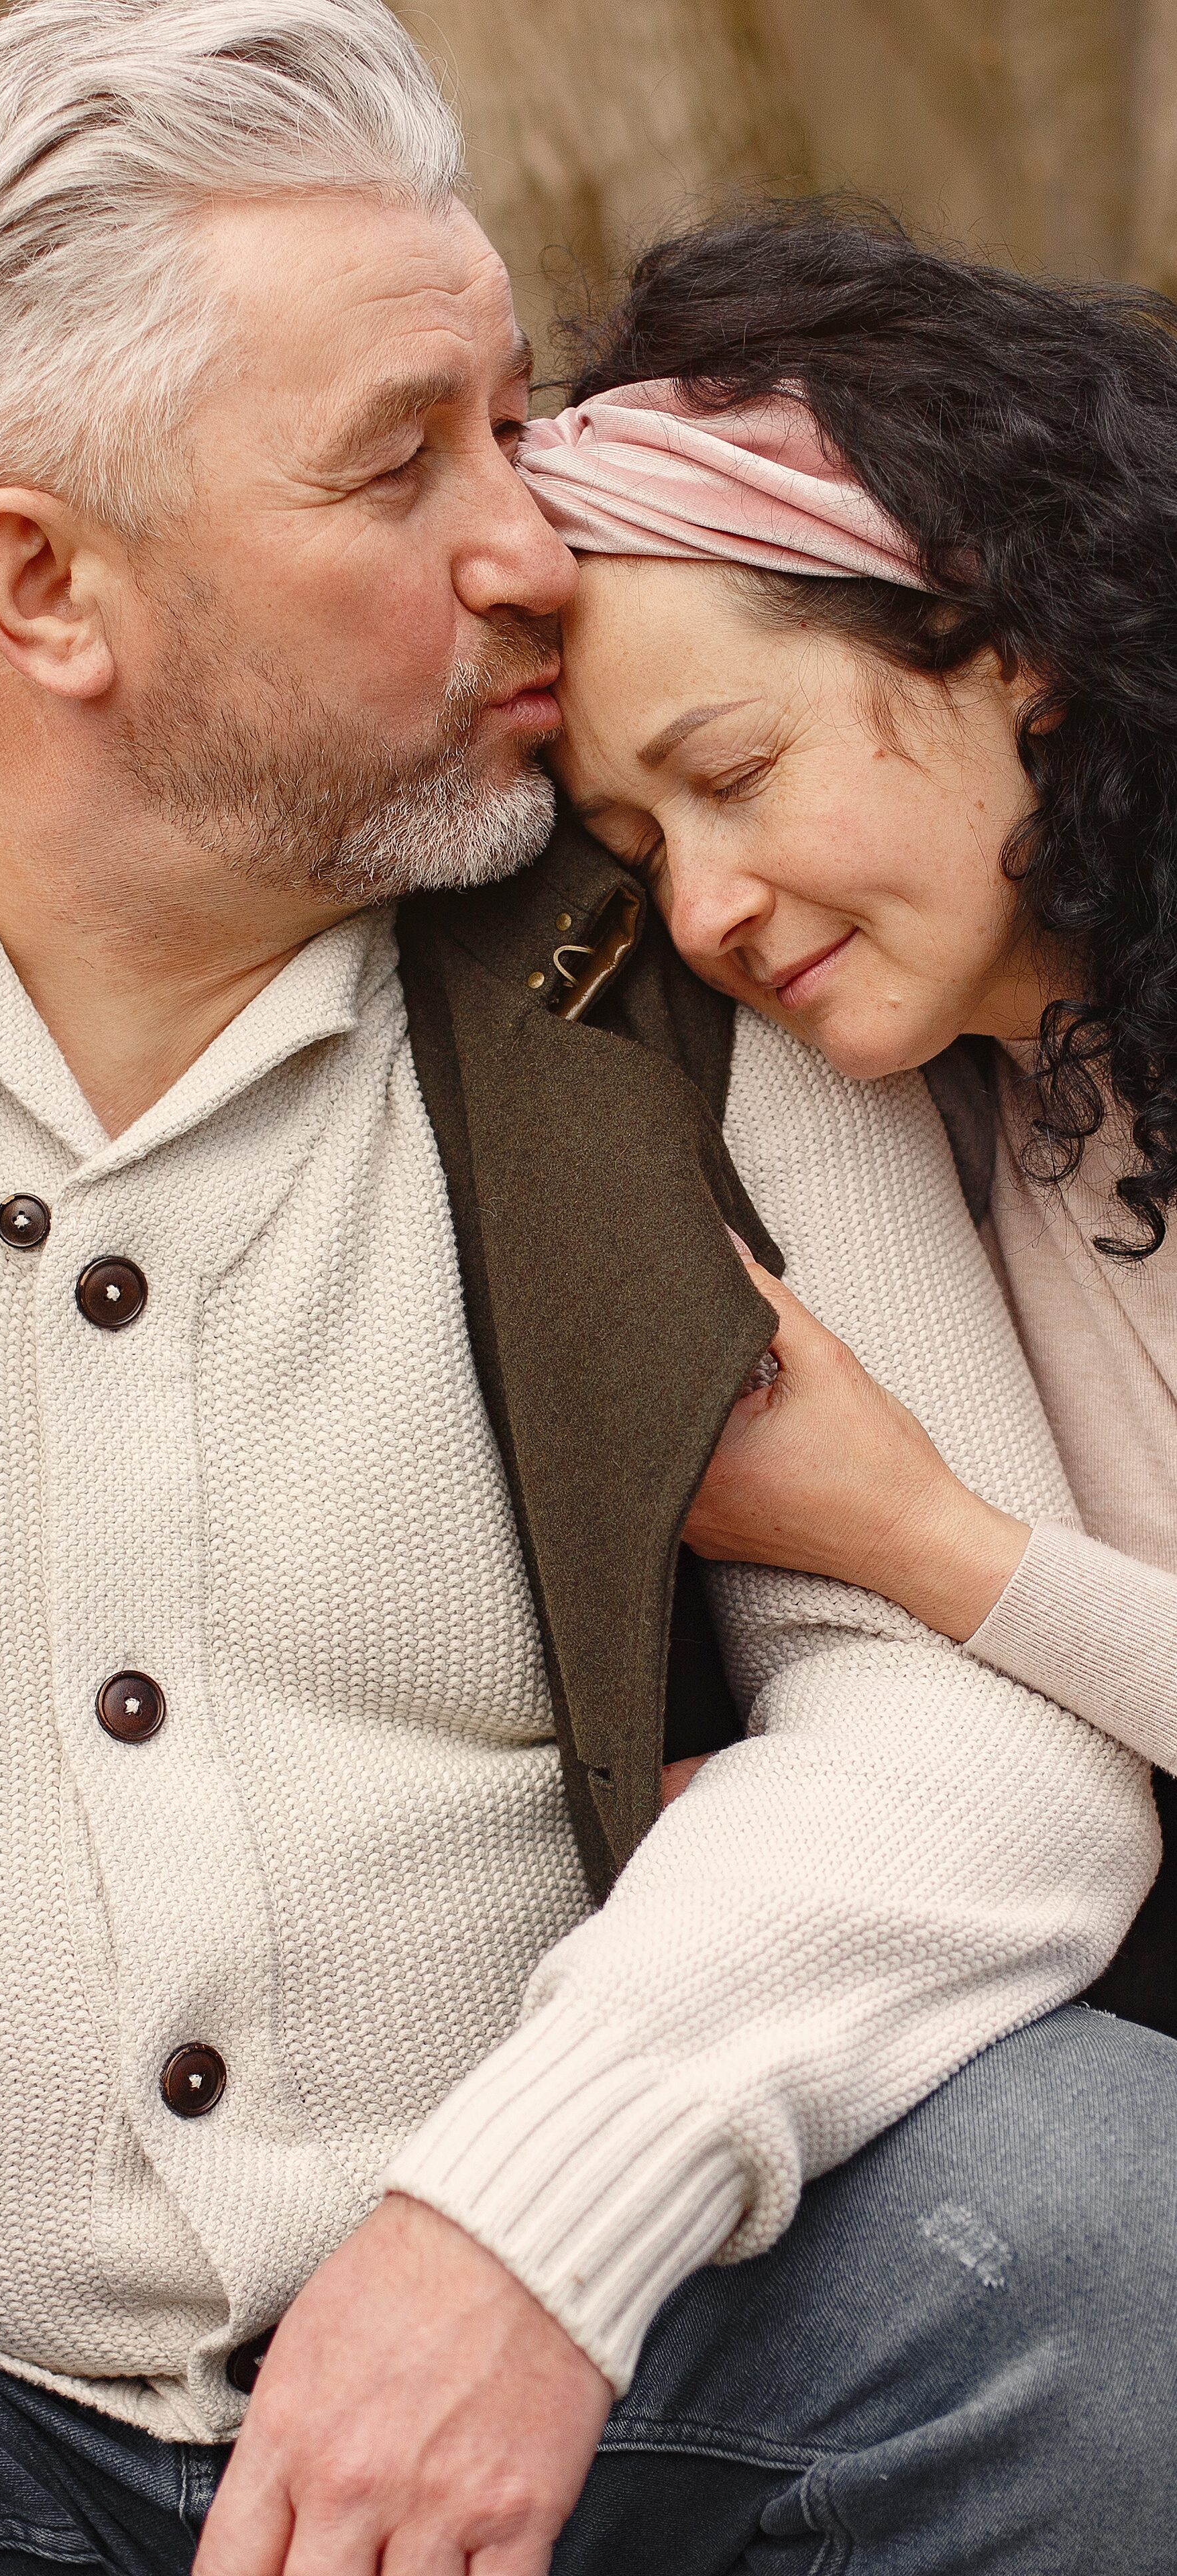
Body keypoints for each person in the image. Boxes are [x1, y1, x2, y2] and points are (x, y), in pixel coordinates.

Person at [0, 15, 1168, 2567]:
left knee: (1114, 2242)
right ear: (45, 587)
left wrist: (530, 2225)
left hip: (660, 2340)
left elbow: (985, 1737)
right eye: (405, 462)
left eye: (514, 420)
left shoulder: (674, 959)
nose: (534, 548)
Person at [526, 201, 1177, 2033]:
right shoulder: (984, 1111)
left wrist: (916, 1536)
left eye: (736, 773)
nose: (702, 911)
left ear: (1011, 642)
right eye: (640, 849)